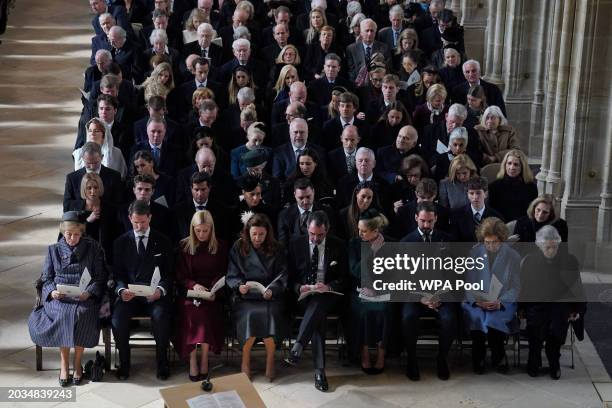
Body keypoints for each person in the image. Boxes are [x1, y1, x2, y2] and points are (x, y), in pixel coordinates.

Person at [28, 212, 107, 387]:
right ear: (63, 233)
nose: (72, 238)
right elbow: (46, 278)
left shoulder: (92, 248)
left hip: (83, 297)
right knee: (63, 314)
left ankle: (77, 362)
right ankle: (64, 364)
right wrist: (52, 292)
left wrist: (89, 292)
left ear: (82, 232)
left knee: (83, 314)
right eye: (68, 234)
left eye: (76, 234)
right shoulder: (53, 250)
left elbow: (100, 277)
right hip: (59, 298)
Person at [285, 211, 348, 392]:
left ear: (327, 230)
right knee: (317, 315)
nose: (315, 238)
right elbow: (287, 275)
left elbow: (345, 278)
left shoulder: (338, 245)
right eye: (312, 234)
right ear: (307, 229)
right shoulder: (296, 244)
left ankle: (298, 347)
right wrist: (299, 287)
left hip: (328, 294)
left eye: (320, 235)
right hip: (303, 295)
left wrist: (328, 286)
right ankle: (319, 371)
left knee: (319, 304)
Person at [112, 200, 173, 381]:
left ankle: (162, 363)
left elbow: (169, 273)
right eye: (135, 222)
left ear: (150, 218)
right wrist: (121, 290)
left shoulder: (163, 241)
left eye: (143, 222)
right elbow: (117, 274)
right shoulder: (120, 243)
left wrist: (160, 291)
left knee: (162, 317)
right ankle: (124, 364)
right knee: (117, 319)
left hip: (155, 296)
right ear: (130, 218)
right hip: (129, 297)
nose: (139, 226)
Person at [226, 213, 288, 380]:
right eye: (254, 234)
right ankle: (245, 360)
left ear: (267, 233)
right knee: (249, 315)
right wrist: (240, 286)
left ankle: (270, 360)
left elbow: (283, 275)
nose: (258, 238)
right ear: (248, 232)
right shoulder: (238, 247)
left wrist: (273, 290)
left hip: (269, 296)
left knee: (270, 314)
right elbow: (231, 274)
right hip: (246, 298)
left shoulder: (277, 248)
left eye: (261, 234)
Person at [520, 226, 585, 379]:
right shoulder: (530, 261)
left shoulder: (569, 261)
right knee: (535, 328)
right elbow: (524, 288)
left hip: (559, 304)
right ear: (540, 245)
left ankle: (553, 359)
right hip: (537, 304)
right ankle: (534, 359)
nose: (551, 250)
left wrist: (576, 310)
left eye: (554, 247)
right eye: (547, 247)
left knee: (557, 327)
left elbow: (576, 289)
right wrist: (521, 307)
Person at [399, 202, 455, 380]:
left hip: (442, 295)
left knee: (449, 319)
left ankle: (441, 358)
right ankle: (412, 360)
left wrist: (441, 294)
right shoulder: (405, 242)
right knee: (408, 317)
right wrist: (421, 297)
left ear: (436, 218)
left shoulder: (448, 240)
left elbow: (456, 275)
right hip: (415, 296)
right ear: (416, 218)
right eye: (423, 221)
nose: (426, 225)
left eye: (430, 221)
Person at [174, 210, 228, 381]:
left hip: (212, 294)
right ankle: (192, 360)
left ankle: (204, 358)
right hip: (190, 293)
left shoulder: (220, 246)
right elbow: (180, 275)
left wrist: (212, 290)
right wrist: (194, 285)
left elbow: (223, 272)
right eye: (198, 231)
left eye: (205, 231)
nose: (202, 234)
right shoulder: (184, 246)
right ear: (192, 229)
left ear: (211, 229)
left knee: (207, 313)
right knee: (191, 312)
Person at [463, 217, 520, 374]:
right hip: (478, 300)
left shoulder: (513, 256)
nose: (491, 246)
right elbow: (468, 283)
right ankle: (478, 356)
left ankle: (498, 354)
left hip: (503, 301)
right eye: (487, 242)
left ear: (502, 239)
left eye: (494, 242)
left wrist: (500, 302)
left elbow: (516, 287)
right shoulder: (475, 252)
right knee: (477, 317)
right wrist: (477, 300)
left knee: (494, 318)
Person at [348, 208, 391, 373]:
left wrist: (377, 289)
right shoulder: (354, 243)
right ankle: (364, 351)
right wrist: (371, 252)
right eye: (359, 229)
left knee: (386, 310)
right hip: (359, 289)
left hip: (383, 291)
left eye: (364, 231)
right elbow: (355, 271)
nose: (360, 233)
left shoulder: (390, 243)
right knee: (362, 312)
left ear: (375, 230)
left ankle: (382, 352)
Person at [488, 150, 538, 222]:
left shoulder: (531, 187)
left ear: (522, 167)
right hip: (500, 226)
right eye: (509, 163)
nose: (512, 167)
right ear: (505, 165)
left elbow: (532, 213)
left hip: (522, 226)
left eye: (516, 164)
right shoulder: (494, 187)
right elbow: (491, 213)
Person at [450, 176, 504, 242]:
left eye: (478, 193)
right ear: (467, 194)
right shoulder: (456, 215)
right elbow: (455, 243)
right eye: (471, 193)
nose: (475, 197)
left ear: (486, 194)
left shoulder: (497, 217)